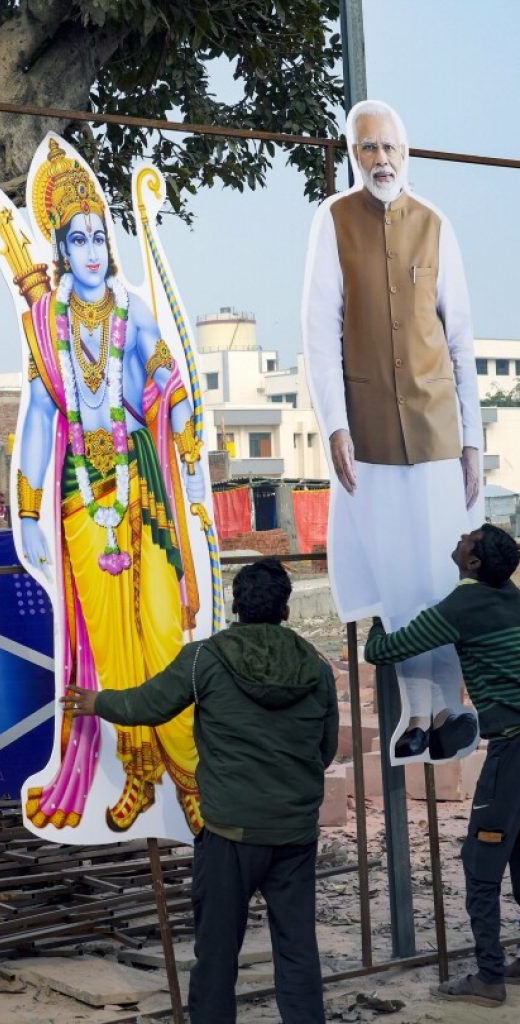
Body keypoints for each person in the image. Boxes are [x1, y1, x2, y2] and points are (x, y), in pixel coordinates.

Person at [10, 136, 208, 834]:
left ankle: (190, 778)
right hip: (78, 497)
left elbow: (166, 375)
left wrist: (183, 429)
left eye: (100, 236)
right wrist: (29, 507)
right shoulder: (47, 328)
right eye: (78, 239)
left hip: (143, 491)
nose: (92, 250)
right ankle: (140, 774)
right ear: (61, 249)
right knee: (113, 655)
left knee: (160, 635)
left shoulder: (132, 311)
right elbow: (40, 414)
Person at [65, 559, 338, 1023]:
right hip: (294, 832)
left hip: (229, 832)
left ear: (235, 605)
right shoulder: (315, 666)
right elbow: (326, 749)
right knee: (297, 948)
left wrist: (97, 702)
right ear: (286, 609)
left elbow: (146, 705)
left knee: (216, 953)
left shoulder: (205, 659)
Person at [303, 99, 482, 762]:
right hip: (371, 434)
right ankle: (423, 710)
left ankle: (443, 712)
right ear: (355, 155)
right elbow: (320, 333)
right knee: (399, 579)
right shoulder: (334, 221)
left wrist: (472, 444)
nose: (381, 159)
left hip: (437, 430)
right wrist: (333, 426)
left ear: (406, 152)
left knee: (438, 577)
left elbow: (460, 341)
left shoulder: (436, 225)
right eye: (368, 148)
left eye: (390, 148)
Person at [365, 524, 520, 1007]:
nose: (458, 537)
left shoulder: (462, 608)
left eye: (466, 539)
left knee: (481, 863)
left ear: (473, 564)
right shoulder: (512, 597)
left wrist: (378, 612)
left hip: (512, 752)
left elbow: (382, 651)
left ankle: (489, 978)